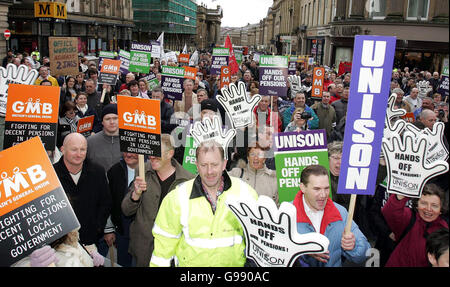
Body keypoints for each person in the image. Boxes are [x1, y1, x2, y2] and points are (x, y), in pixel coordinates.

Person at [150, 140, 258, 267]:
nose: (209, 171)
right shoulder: (177, 197)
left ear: (224, 164)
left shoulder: (245, 193)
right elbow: (163, 250)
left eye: (214, 164)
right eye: (203, 165)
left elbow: (258, 243)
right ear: (196, 165)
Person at [121, 134, 194, 266]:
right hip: (142, 251)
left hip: (172, 253)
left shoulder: (187, 180)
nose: (152, 157)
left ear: (170, 154)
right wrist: (135, 195)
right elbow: (126, 210)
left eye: (156, 153)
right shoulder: (143, 171)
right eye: (150, 153)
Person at [292, 165, 370, 267]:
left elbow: (365, 252)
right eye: (317, 189)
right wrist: (302, 250)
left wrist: (353, 246)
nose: (323, 194)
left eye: (326, 188)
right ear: (303, 187)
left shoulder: (340, 212)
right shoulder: (287, 214)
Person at [53, 133, 111, 264]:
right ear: (63, 149)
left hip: (91, 241)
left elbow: (105, 202)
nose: (79, 154)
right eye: (74, 149)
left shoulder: (97, 171)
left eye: (83, 149)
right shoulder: (51, 174)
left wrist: (98, 227)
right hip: (60, 245)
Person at [382, 184, 449, 267]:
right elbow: (390, 211)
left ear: (441, 210)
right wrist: (404, 191)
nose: (428, 209)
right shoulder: (408, 218)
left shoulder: (444, 231)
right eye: (424, 203)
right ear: (417, 205)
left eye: (434, 205)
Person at [104, 152, 139, 267]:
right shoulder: (114, 171)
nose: (129, 154)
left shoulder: (150, 171)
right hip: (122, 232)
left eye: (133, 151)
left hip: (143, 235)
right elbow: (107, 202)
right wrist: (109, 229)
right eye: (126, 150)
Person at [86, 103, 121, 173]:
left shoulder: (128, 140)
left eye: (115, 118)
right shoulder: (90, 142)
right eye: (107, 119)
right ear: (102, 122)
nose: (112, 122)